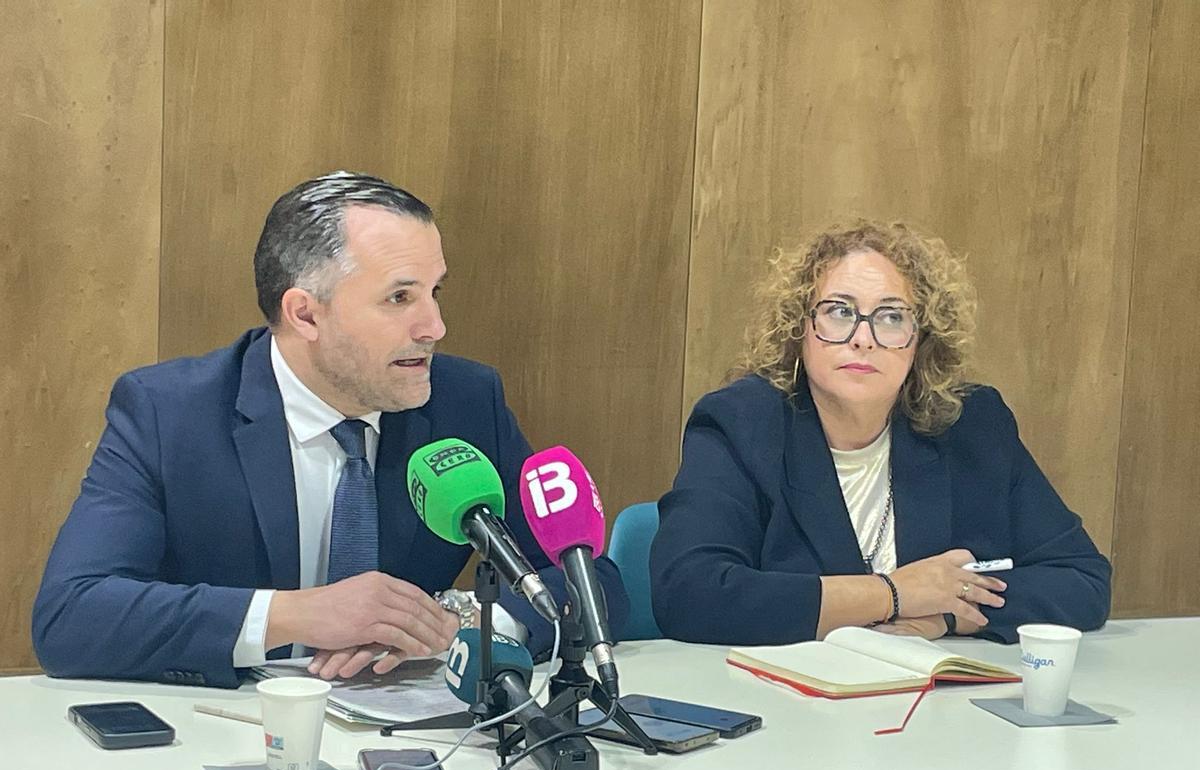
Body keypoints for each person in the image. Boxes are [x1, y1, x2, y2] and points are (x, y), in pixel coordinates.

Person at [33, 171, 627, 688]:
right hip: (218, 741)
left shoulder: (465, 402)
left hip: (415, 746)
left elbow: (590, 580)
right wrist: (291, 617)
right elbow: (71, 615)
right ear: (305, 313)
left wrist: (471, 626)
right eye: (399, 297)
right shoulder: (169, 413)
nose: (435, 326)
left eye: (434, 292)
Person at [650, 219, 1110, 647]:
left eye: (891, 317)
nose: (863, 338)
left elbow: (1082, 579)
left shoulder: (970, 424)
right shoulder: (742, 424)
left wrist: (947, 615)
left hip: (938, 709)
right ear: (800, 327)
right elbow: (690, 594)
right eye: (838, 312)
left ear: (921, 340)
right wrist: (893, 594)